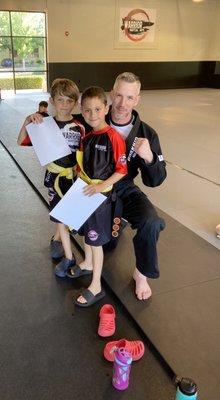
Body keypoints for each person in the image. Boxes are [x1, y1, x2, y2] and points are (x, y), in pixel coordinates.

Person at [74, 72, 167, 301]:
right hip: (93, 187)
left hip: (123, 187)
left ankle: (142, 272)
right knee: (104, 245)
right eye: (118, 96)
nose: (122, 104)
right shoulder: (91, 118)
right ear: (111, 95)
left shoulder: (147, 133)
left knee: (151, 221)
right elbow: (63, 118)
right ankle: (113, 224)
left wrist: (150, 158)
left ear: (137, 99)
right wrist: (39, 118)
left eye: (129, 97)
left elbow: (155, 180)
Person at [17, 78, 85, 275]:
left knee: (67, 215)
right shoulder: (44, 124)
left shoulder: (81, 125)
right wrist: (27, 121)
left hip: (75, 178)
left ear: (76, 101)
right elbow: (21, 140)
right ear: (52, 100)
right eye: (60, 100)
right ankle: (69, 257)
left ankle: (56, 240)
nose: (64, 105)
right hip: (55, 178)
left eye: (69, 101)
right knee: (60, 216)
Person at [71, 86, 127, 307]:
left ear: (106, 108)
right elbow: (83, 166)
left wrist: (101, 186)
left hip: (100, 199)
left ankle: (96, 286)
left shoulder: (113, 137)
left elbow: (121, 170)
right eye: (87, 111)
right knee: (86, 233)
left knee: (96, 241)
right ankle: (87, 263)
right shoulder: (87, 137)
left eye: (97, 109)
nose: (92, 115)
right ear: (82, 111)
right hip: (85, 193)